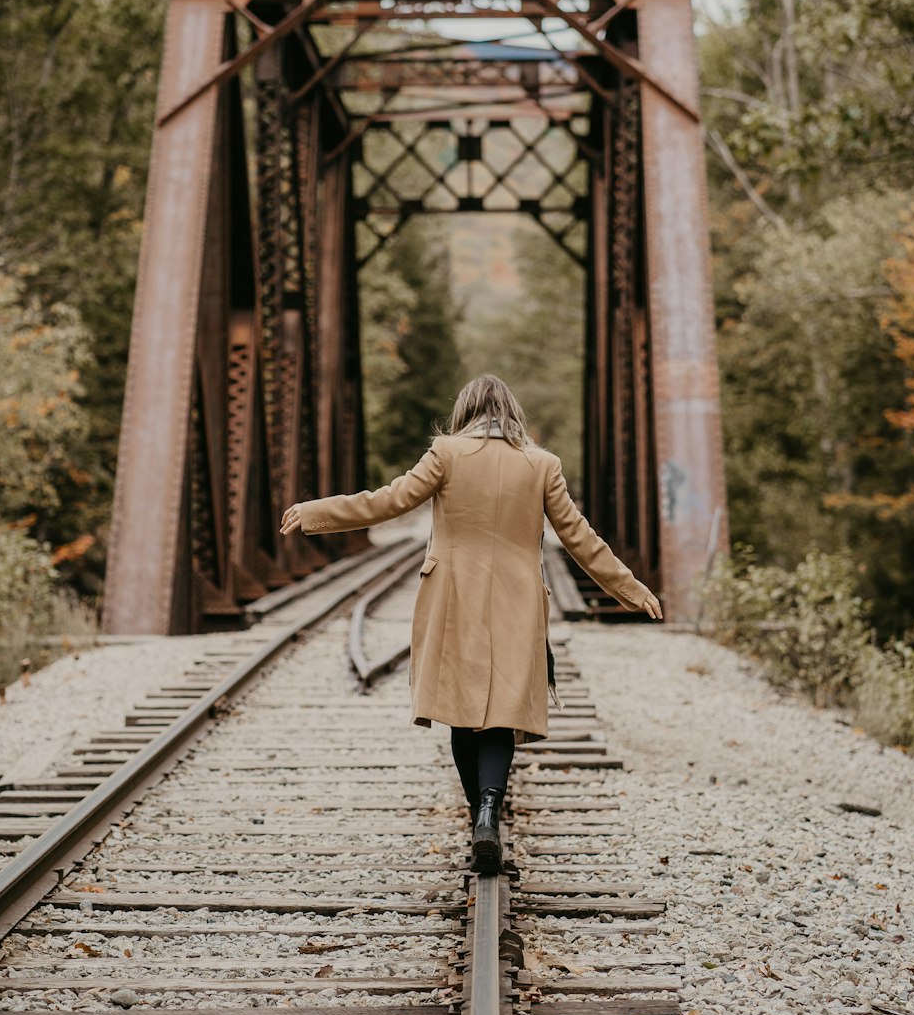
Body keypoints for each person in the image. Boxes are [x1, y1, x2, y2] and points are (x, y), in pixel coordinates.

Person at [280, 374, 662, 874]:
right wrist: (630, 588)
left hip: (453, 595)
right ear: (513, 413)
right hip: (517, 601)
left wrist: (315, 512)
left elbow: (387, 501)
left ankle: (476, 817)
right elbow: (580, 538)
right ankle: (489, 808)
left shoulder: (446, 454)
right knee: (501, 711)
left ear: (465, 410)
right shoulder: (542, 464)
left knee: (461, 711)